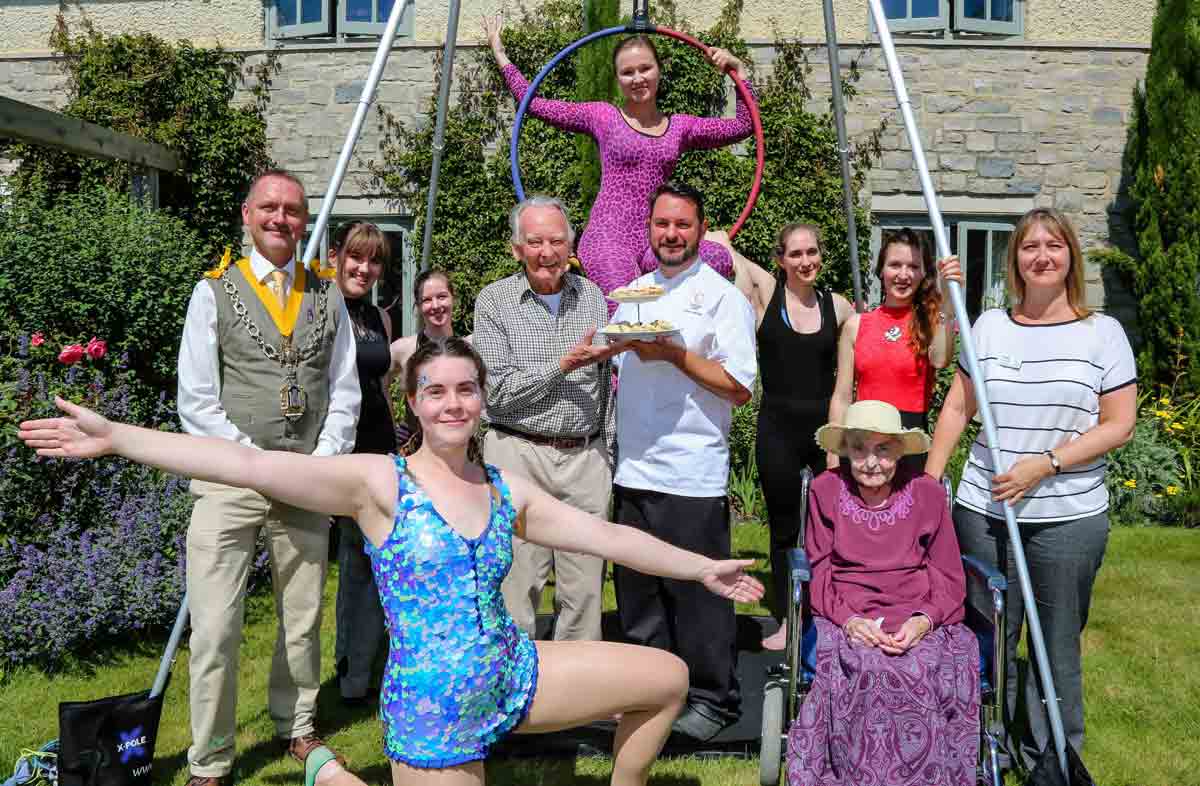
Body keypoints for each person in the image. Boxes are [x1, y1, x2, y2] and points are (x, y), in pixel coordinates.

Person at [19, 337, 765, 786]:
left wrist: (700, 567)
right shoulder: (379, 483)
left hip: (515, 673)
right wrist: (119, 436)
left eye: (466, 390)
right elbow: (243, 462)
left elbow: (609, 539)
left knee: (665, 679)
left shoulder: (505, 487)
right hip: (434, 710)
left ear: (481, 399)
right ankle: (331, 771)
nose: (452, 403)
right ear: (412, 401)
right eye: (435, 391)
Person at [925, 207, 1136, 767]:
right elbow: (957, 405)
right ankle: (971, 745)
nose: (1042, 256)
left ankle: (1052, 755)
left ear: (1070, 257)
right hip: (983, 509)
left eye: (1054, 245)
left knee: (1055, 642)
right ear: (1014, 260)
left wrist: (1046, 463)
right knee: (984, 634)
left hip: (1068, 514)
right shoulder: (990, 327)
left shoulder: (1103, 333)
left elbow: (1119, 423)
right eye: (1029, 247)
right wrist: (929, 482)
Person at [174, 169, 360, 786]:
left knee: (303, 620)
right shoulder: (213, 291)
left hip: (305, 479)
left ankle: (297, 726)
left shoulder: (327, 294)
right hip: (229, 481)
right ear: (247, 215)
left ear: (306, 222)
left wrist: (319, 461)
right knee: (216, 629)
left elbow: (344, 390)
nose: (282, 218)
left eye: (293, 210)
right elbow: (196, 398)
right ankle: (211, 758)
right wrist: (253, 460)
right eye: (270, 208)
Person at [610, 182, 757, 741]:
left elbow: (740, 387)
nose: (671, 234)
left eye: (683, 225)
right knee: (641, 595)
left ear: (700, 230)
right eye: (662, 224)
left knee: (698, 596)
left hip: (691, 470)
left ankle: (713, 700)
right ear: (649, 228)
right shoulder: (634, 294)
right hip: (634, 469)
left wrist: (675, 354)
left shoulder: (724, 298)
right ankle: (653, 696)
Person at [484, 16, 753, 312]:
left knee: (721, 259)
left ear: (659, 71)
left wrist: (737, 72)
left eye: (645, 68)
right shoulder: (604, 117)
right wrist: (501, 56)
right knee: (629, 313)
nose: (637, 78)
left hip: (656, 239)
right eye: (627, 72)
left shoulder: (679, 127)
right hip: (609, 239)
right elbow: (533, 104)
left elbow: (743, 125)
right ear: (618, 79)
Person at [786, 400, 979, 786]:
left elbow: (947, 573)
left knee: (920, 667)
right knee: (868, 668)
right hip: (848, 612)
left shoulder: (926, 493)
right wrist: (850, 621)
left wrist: (923, 622)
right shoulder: (826, 491)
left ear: (899, 450)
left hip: (917, 611)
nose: (871, 462)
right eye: (859, 448)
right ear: (845, 451)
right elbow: (820, 570)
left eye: (883, 449)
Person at [474, 196, 619, 642]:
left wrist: (607, 451)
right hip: (518, 454)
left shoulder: (592, 296)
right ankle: (516, 693)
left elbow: (605, 382)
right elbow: (495, 392)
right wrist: (562, 365)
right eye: (534, 241)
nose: (546, 252)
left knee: (584, 591)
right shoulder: (494, 301)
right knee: (518, 584)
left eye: (556, 241)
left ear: (570, 246)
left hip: (584, 458)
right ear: (516, 248)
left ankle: (578, 696)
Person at [721, 224, 854, 651]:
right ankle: (786, 618)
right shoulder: (765, 300)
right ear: (781, 260)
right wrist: (721, 241)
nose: (805, 261)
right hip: (776, 433)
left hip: (824, 436)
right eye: (795, 254)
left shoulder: (840, 307)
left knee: (826, 530)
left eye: (812, 252)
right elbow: (730, 255)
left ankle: (824, 614)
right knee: (783, 530)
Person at [827, 229, 962, 468]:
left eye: (913, 266)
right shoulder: (856, 325)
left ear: (924, 273)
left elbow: (940, 360)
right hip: (863, 442)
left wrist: (948, 302)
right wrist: (833, 456)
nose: (903, 274)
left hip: (909, 443)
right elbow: (842, 396)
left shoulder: (932, 322)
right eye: (895, 265)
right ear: (881, 270)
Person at [328, 221, 395, 705]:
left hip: (379, 449)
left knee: (369, 561)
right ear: (335, 256)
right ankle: (352, 672)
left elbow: (382, 387)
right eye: (356, 257)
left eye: (373, 261)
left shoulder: (377, 317)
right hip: (341, 452)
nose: (364, 268)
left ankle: (356, 663)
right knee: (356, 562)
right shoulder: (320, 309)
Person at [390, 268, 470, 446]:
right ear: (418, 306)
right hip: (414, 447)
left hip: (458, 446)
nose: (435, 305)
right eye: (426, 300)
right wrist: (388, 426)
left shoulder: (470, 348)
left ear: (453, 298)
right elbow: (376, 384)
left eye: (441, 296)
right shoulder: (404, 349)